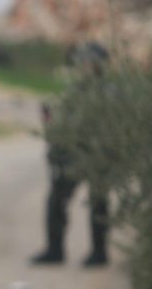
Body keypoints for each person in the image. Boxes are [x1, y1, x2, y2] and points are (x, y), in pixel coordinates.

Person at [30, 41, 111, 267]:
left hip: (95, 157)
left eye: (89, 62)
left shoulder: (106, 93)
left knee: (98, 205)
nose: (84, 66)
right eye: (81, 61)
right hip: (69, 157)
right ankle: (55, 250)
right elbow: (63, 124)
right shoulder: (75, 90)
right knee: (56, 202)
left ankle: (99, 252)